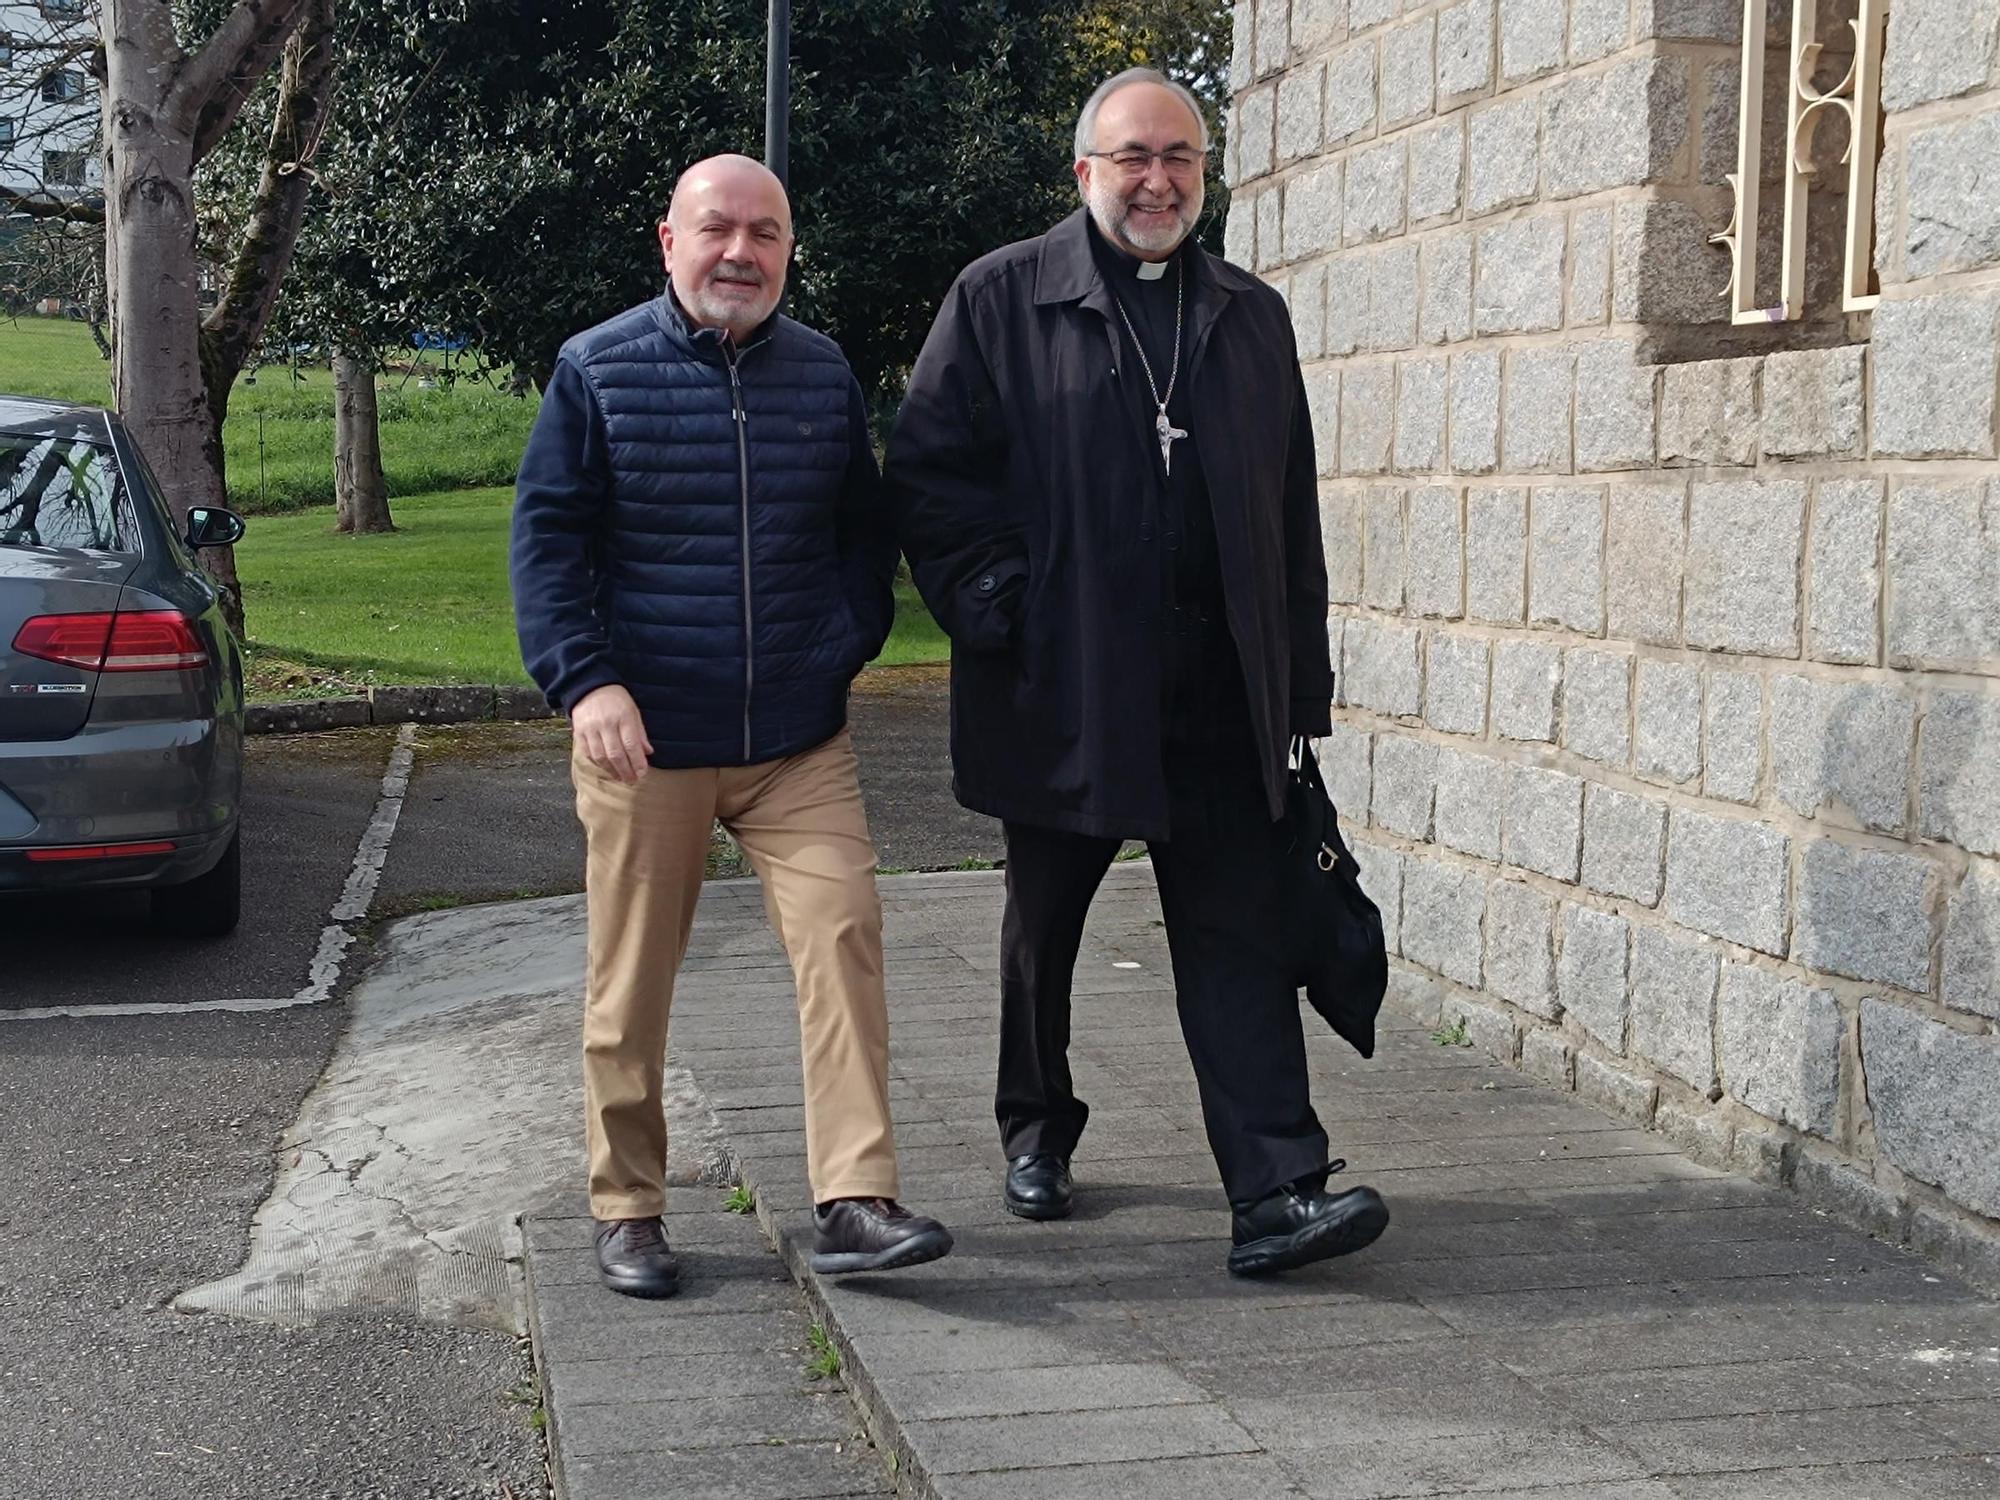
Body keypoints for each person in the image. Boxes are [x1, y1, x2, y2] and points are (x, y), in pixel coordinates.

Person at [884, 71, 1388, 1276]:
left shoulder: (1248, 316)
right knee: (1040, 928)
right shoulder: (1001, 298)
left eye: (1179, 158)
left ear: (1201, 177)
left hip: (1218, 693)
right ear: (1083, 172)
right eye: (1131, 157)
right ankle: (1036, 1127)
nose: (1155, 178)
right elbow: (930, 475)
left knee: (1239, 938)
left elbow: (1288, 515)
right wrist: (1006, 613)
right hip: (1063, 690)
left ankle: (1275, 1192)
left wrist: (1296, 690)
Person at [511, 154, 954, 1299]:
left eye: (764, 233)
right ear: (669, 240)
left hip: (794, 746)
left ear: (786, 251)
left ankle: (853, 1199)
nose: (740, 253)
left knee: (845, 936)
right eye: (717, 230)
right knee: (630, 984)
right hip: (643, 741)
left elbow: (863, 534)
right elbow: (548, 545)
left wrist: (842, 640)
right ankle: (628, 1210)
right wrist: (585, 682)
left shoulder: (820, 374)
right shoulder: (595, 370)